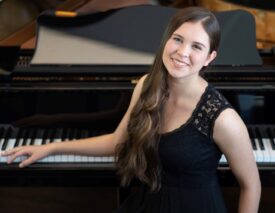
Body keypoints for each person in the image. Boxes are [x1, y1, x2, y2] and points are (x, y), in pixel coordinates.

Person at [1, 6, 261, 213]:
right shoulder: (148, 85)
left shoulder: (223, 118)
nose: (182, 52)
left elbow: (252, 186)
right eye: (178, 39)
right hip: (148, 203)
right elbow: (117, 141)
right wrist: (50, 147)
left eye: (196, 46)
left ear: (209, 58)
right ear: (166, 40)